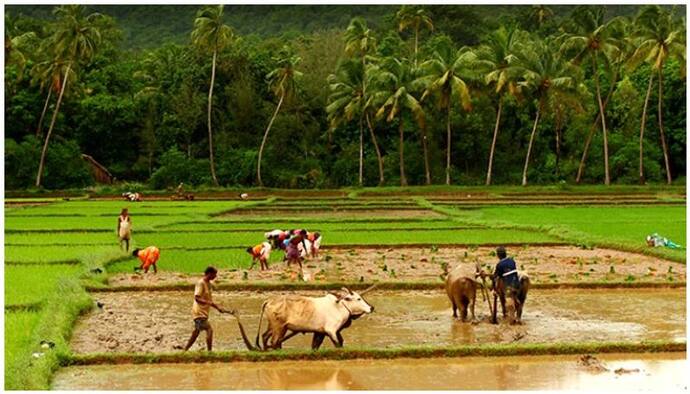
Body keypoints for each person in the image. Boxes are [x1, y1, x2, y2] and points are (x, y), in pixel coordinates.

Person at [183, 266, 232, 351]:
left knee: (196, 332)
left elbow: (209, 300)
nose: (215, 276)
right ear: (209, 273)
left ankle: (185, 350)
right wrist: (210, 303)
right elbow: (197, 298)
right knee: (209, 330)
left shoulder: (208, 284)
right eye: (214, 274)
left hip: (203, 312)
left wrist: (218, 308)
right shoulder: (200, 283)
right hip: (199, 312)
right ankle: (209, 352)